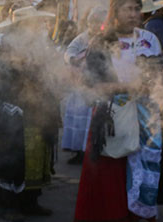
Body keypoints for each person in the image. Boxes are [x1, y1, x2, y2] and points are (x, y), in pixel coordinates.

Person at [73, 0, 163, 222]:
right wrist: (125, 87)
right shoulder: (101, 42)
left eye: (137, 8)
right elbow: (91, 85)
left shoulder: (149, 41)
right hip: (110, 119)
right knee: (108, 180)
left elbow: (158, 78)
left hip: (144, 119)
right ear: (115, 12)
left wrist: (150, 85)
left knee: (137, 179)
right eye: (128, 8)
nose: (134, 14)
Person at [0, 6, 57, 222]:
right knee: (12, 157)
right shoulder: (6, 44)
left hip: (36, 106)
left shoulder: (38, 43)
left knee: (35, 155)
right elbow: (1, 75)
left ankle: (30, 200)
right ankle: (7, 205)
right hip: (14, 107)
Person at [63, 7, 108, 164]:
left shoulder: (107, 38)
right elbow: (68, 52)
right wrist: (74, 59)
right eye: (93, 22)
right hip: (81, 86)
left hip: (99, 86)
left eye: (99, 22)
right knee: (79, 121)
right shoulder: (82, 38)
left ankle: (92, 151)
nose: (96, 25)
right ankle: (79, 152)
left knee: (93, 121)